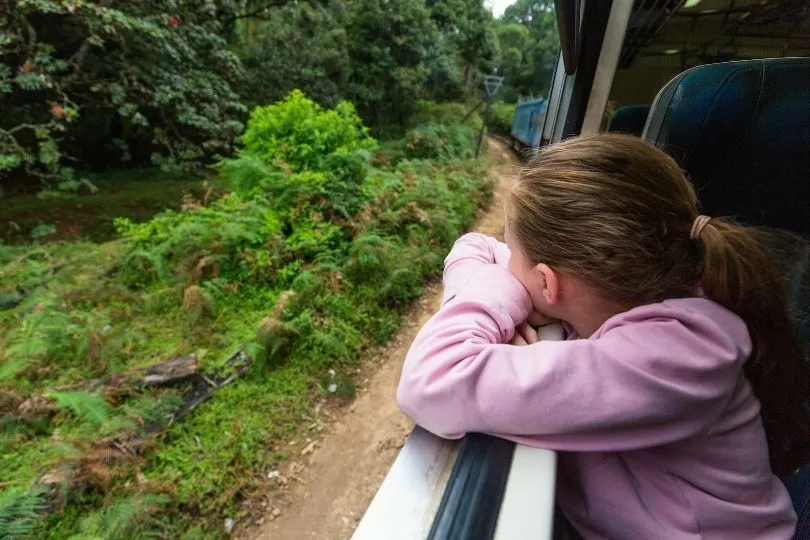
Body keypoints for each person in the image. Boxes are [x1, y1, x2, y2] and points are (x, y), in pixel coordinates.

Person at [396, 134, 810, 539]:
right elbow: (475, 246)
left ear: (547, 283)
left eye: (514, 256)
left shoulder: (671, 358)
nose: (506, 265)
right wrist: (498, 298)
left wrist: (503, 300)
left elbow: (430, 380)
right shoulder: (629, 293)